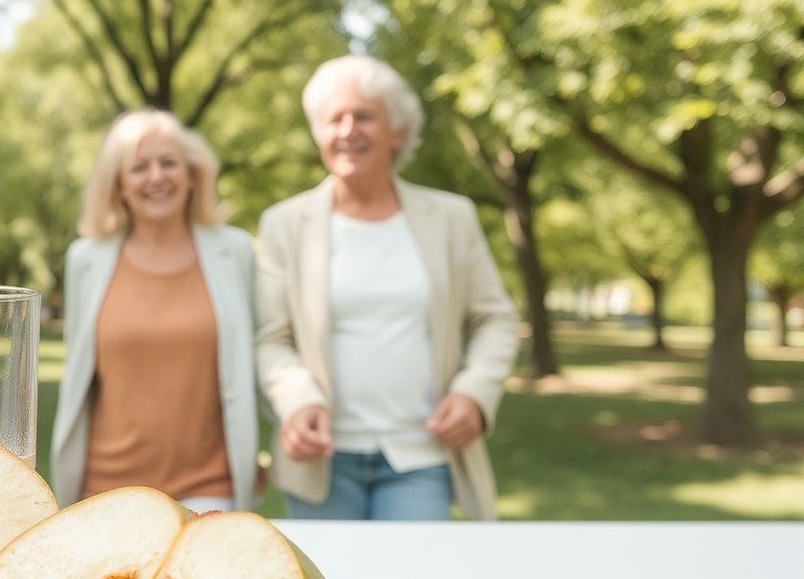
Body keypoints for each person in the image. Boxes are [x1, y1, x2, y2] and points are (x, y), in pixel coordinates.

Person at [256, 55, 519, 521]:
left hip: (420, 455)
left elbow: (494, 319)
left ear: (397, 130)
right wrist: (297, 401)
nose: (347, 129)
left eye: (364, 116)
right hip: (323, 461)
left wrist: (474, 393)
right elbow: (271, 338)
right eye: (333, 118)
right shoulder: (283, 225)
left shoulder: (452, 219)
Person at [51, 109, 258, 513]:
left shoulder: (234, 252)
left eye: (168, 163)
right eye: (139, 167)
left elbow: (260, 353)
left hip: (210, 488)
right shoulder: (86, 259)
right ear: (119, 185)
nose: (156, 177)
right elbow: (80, 373)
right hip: (108, 490)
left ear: (192, 175)